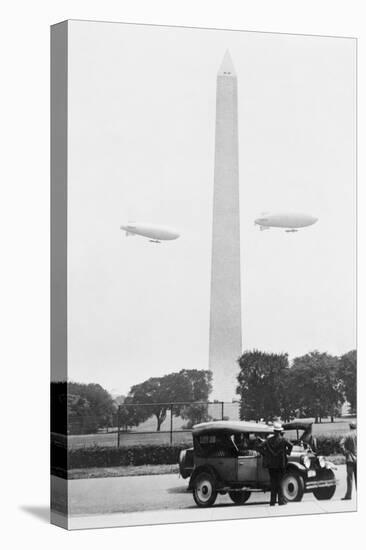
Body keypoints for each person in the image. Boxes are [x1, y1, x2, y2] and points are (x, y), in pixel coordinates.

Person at [259, 421, 293, 506]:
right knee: (280, 482)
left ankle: (272, 501)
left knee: (273, 482)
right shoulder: (284, 440)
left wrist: (265, 453)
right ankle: (281, 500)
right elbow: (291, 445)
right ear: (280, 431)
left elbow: (259, 447)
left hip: (271, 465)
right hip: (281, 464)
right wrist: (287, 452)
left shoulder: (269, 440)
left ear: (274, 431)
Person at [340, 421, 357, 500]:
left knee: (350, 478)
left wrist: (345, 452)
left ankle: (349, 495)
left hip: (350, 459)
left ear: (350, 426)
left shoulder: (347, 435)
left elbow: (341, 444)